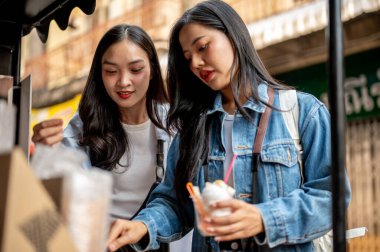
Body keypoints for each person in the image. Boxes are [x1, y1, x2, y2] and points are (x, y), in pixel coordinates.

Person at [107, 1, 351, 252]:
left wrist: (263, 218)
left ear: (233, 36)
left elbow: (331, 196)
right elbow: (175, 203)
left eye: (203, 47)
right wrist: (143, 226)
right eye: (188, 57)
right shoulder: (193, 129)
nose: (196, 64)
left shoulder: (303, 112)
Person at [31, 24, 192, 252]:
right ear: (99, 73)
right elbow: (61, 193)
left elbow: (184, 203)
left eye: (136, 70)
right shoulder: (82, 127)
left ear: (153, 69)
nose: (123, 81)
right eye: (111, 71)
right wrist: (45, 152)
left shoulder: (177, 126)